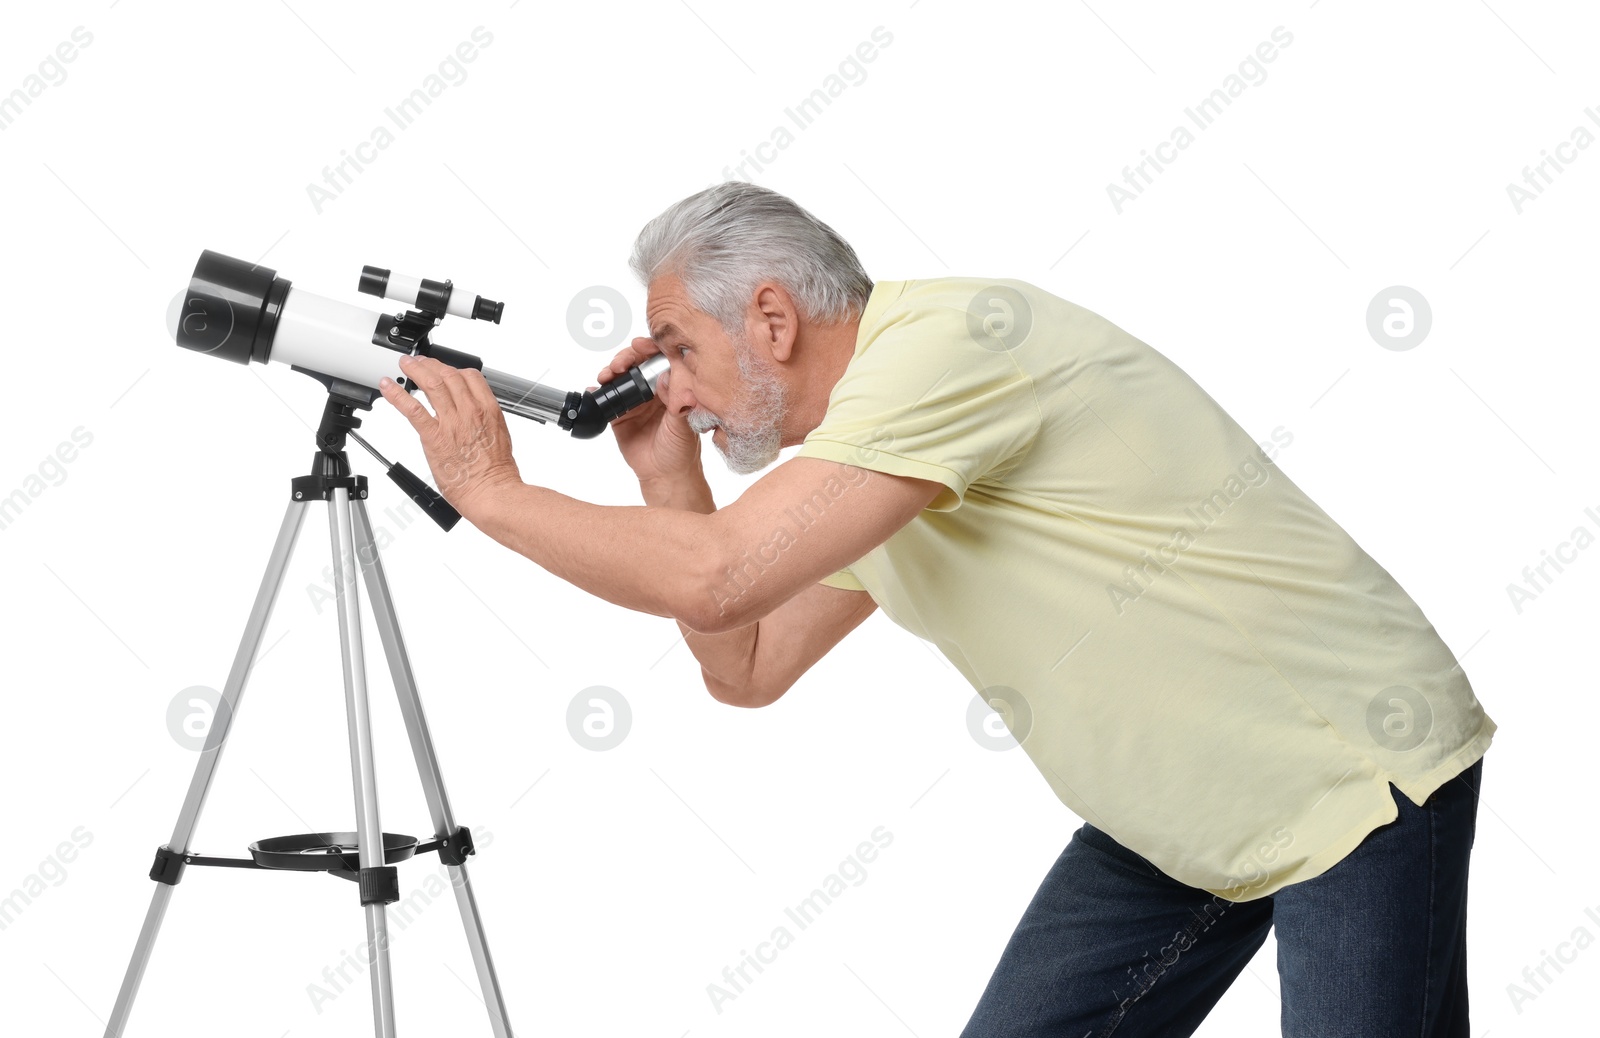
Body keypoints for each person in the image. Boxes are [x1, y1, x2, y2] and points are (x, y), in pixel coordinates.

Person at [377, 182, 1495, 1036]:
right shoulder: (865, 455)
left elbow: (720, 576)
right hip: (1173, 820)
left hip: (1346, 775)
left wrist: (489, 491)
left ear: (770, 318)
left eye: (678, 348)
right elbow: (747, 664)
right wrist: (671, 480)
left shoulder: (946, 352)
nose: (670, 385)